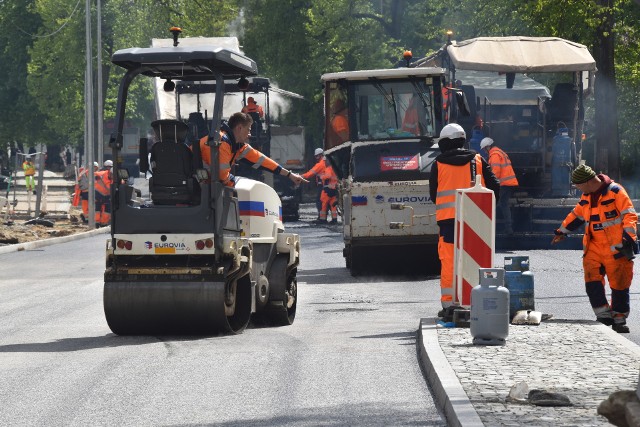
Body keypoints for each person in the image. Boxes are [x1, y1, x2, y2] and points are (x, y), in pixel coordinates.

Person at [552, 164, 638, 333]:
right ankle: (603, 315)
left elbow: (629, 214)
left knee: (619, 284)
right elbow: (576, 215)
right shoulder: (586, 196)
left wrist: (629, 238)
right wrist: (561, 232)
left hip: (616, 248)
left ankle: (619, 319)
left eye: (578, 185)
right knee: (592, 283)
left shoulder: (615, 192)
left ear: (587, 182)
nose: (577, 189)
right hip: (593, 247)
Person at [429, 123, 500, 313]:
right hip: (477, 220)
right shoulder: (478, 160)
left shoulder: (438, 163)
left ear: (445, 143)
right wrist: (488, 211)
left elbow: (432, 194)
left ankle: (449, 304)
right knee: (477, 260)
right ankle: (478, 300)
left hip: (448, 222)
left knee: (449, 260)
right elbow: (495, 185)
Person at [198, 112, 305, 188]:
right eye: (248, 129)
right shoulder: (221, 143)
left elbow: (263, 161)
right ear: (239, 128)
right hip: (196, 187)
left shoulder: (236, 145)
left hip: (203, 186)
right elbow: (222, 176)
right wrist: (236, 185)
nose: (250, 134)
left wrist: (289, 175)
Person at [480, 137, 519, 234]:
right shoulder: (501, 152)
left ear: (488, 147)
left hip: (502, 184)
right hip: (508, 184)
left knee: (492, 205)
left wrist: (490, 185)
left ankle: (490, 229)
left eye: (485, 149)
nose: (485, 151)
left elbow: (495, 172)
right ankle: (508, 228)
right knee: (504, 204)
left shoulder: (494, 155)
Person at [302, 148, 327, 219]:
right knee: (326, 202)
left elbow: (309, 174)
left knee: (320, 201)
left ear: (321, 155)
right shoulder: (326, 163)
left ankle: (321, 217)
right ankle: (325, 217)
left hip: (322, 185)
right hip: (326, 185)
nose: (316, 158)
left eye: (317, 156)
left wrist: (299, 176)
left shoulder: (320, 164)